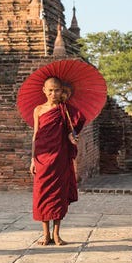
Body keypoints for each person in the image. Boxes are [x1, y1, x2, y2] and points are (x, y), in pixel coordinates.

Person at [29, 76, 84, 246]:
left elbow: (72, 130)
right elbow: (35, 135)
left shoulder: (65, 110)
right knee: (42, 195)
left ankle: (57, 234)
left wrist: (72, 136)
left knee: (58, 196)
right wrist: (32, 159)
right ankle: (45, 235)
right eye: (50, 90)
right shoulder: (38, 110)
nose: (53, 93)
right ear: (44, 91)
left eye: (57, 90)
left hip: (59, 157)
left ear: (62, 92)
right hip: (42, 157)